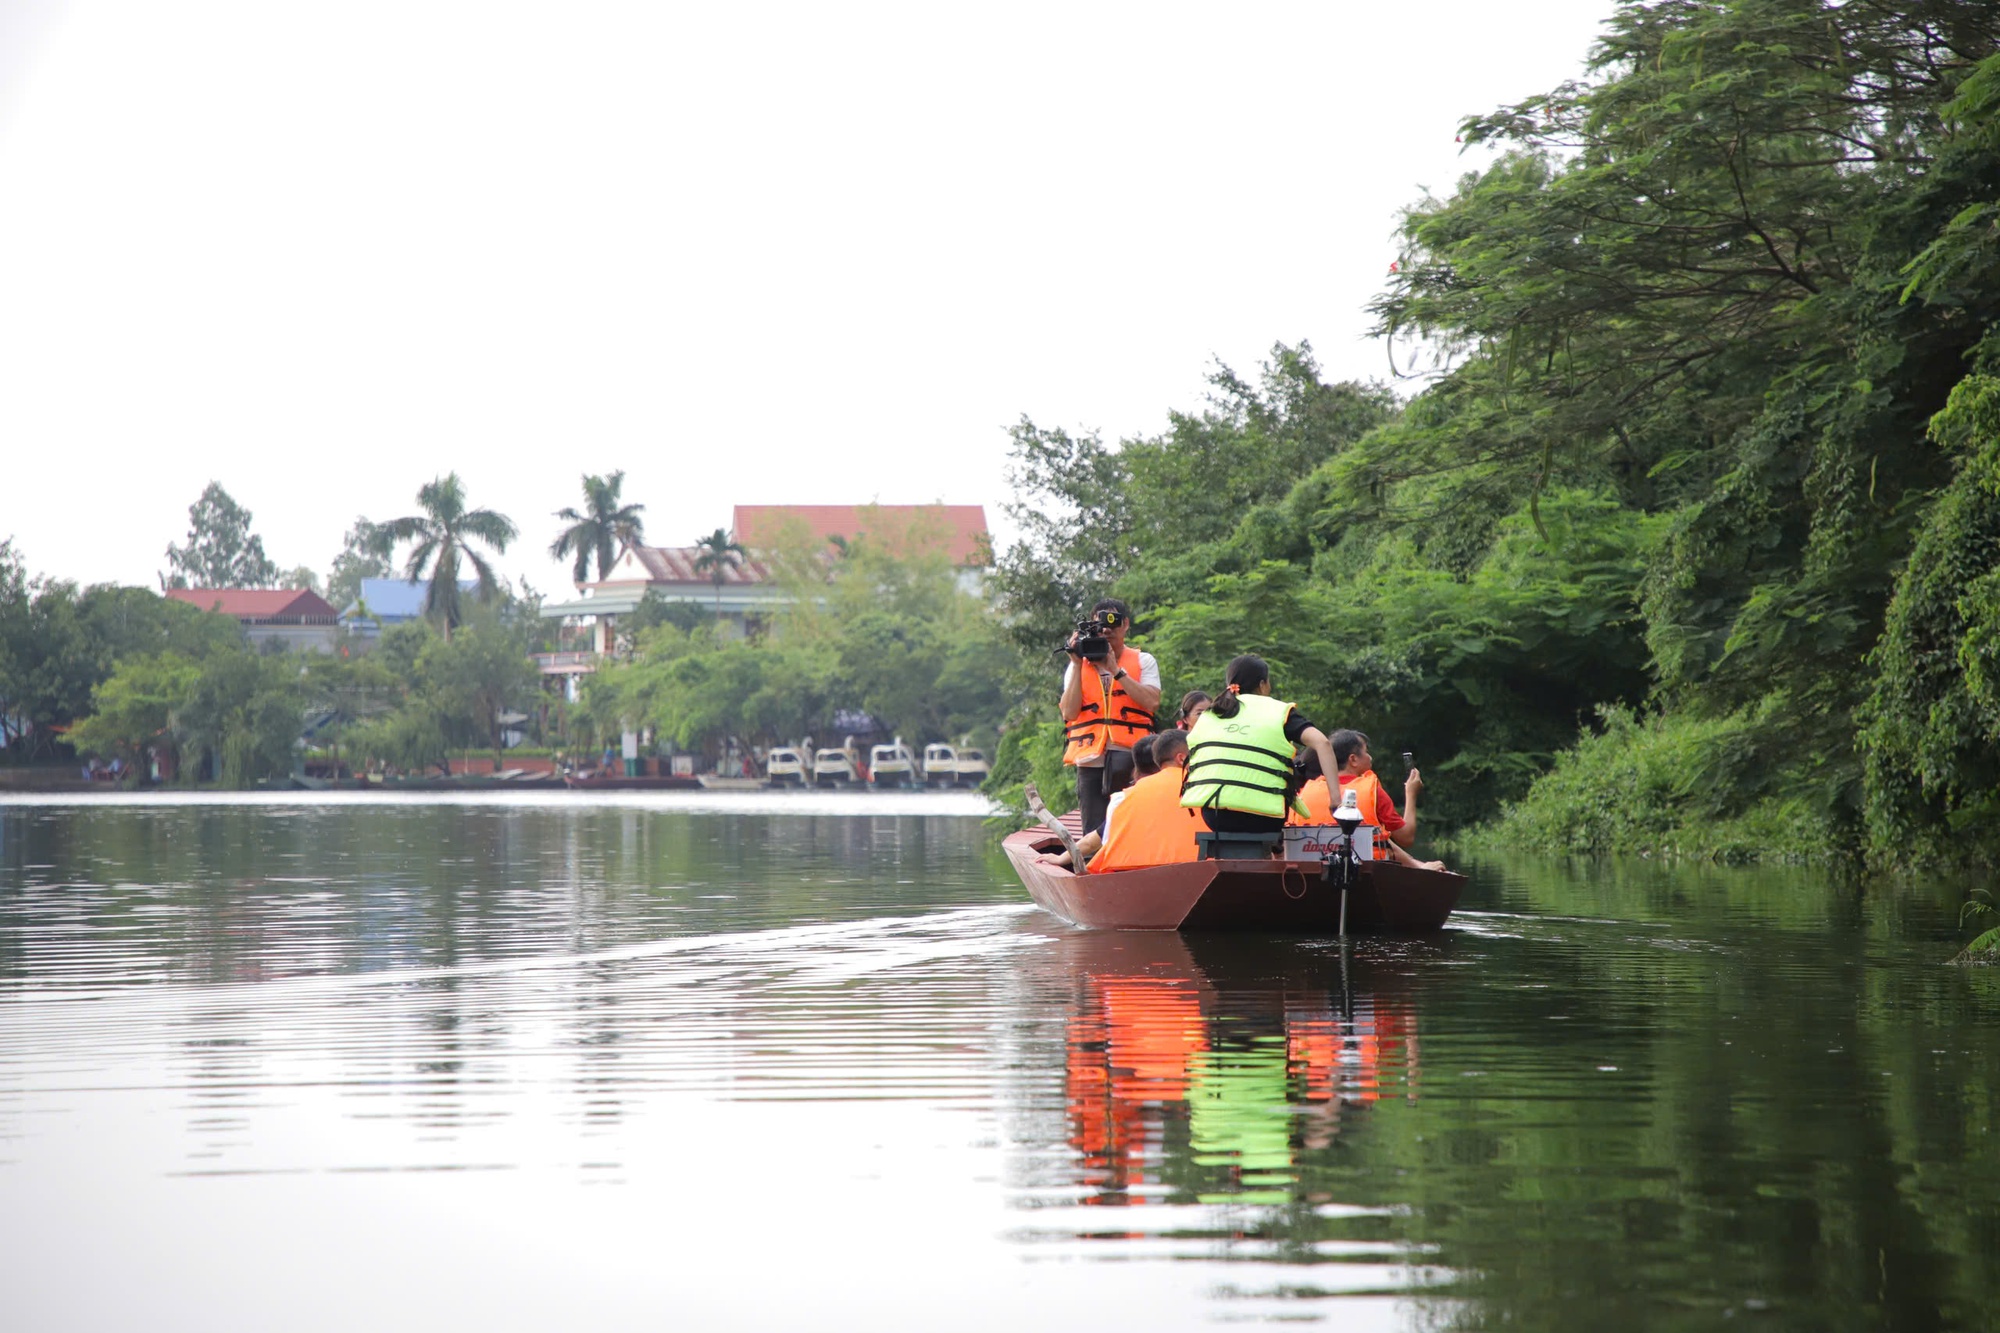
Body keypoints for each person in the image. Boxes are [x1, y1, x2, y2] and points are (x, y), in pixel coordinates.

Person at [1179, 655, 1338, 835]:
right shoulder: (1278, 712)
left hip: (1213, 814)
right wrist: (1335, 800)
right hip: (1263, 817)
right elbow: (1323, 743)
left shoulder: (1211, 714)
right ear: (1262, 684)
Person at [1060, 598, 1162, 835]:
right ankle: (1094, 867)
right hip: (1090, 756)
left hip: (1131, 755)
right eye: (1099, 624)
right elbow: (1069, 712)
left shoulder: (1143, 661)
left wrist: (1116, 670)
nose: (1106, 630)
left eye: (1113, 622)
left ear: (1125, 624)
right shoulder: (1078, 666)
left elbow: (1152, 702)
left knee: (1131, 823)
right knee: (1093, 827)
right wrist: (1076, 664)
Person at [1042, 730, 1195, 872]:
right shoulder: (1202, 788)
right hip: (1192, 866)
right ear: (1180, 758)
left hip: (1131, 872)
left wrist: (1061, 858)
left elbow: (1092, 842)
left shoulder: (1122, 799)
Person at [1289, 748, 1444, 870]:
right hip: (1364, 873)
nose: (1370, 757)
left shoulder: (1300, 795)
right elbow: (1405, 837)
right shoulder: (1369, 789)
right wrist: (1411, 793)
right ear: (1353, 759)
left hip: (1308, 875)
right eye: (1366, 751)